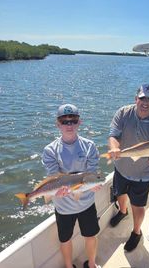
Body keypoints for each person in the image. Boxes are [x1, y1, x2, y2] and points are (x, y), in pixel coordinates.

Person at [108, 84, 149, 252]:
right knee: (119, 193)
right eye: (142, 98)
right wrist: (114, 147)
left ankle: (136, 232)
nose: (145, 102)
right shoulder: (123, 113)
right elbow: (113, 134)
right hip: (121, 167)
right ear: (136, 99)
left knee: (138, 206)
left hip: (143, 175)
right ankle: (122, 211)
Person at [42, 104, 101, 268]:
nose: (69, 125)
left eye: (73, 120)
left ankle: (92, 264)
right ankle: (69, 266)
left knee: (91, 235)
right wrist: (55, 192)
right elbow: (53, 177)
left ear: (79, 122)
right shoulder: (50, 150)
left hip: (87, 204)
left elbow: (92, 174)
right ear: (57, 124)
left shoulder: (89, 146)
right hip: (63, 208)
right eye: (64, 121)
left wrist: (93, 184)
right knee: (65, 239)